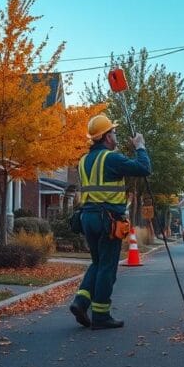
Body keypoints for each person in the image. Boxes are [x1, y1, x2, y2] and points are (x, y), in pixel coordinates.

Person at [69, 114, 151, 330]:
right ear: (106, 137)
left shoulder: (83, 161)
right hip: (108, 220)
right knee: (107, 267)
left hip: (87, 218)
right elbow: (144, 169)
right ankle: (101, 315)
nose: (116, 135)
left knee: (97, 263)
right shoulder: (111, 158)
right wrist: (140, 147)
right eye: (113, 132)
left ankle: (81, 301)